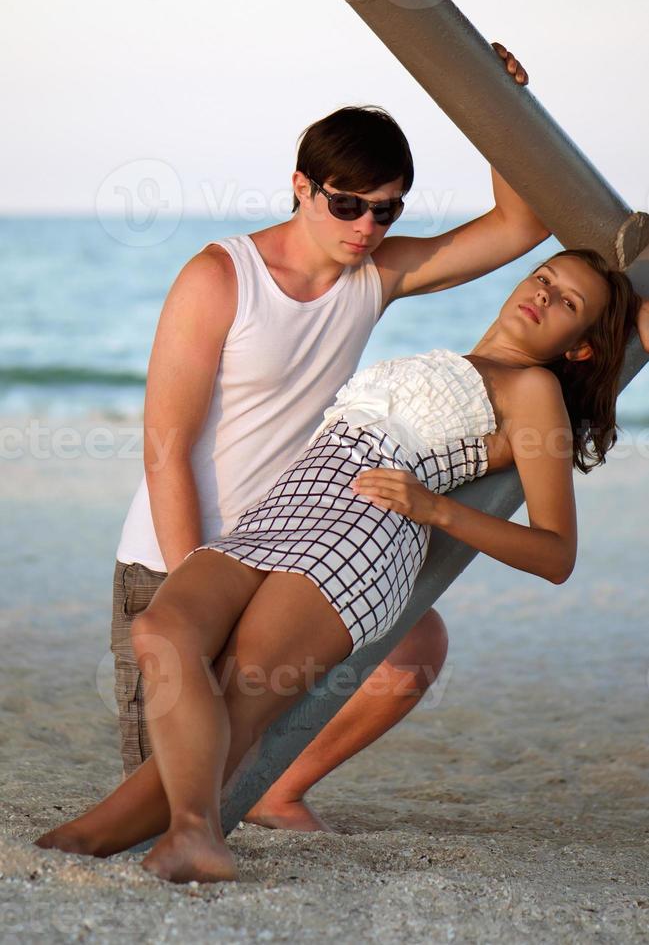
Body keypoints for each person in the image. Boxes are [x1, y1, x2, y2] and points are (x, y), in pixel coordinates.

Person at [36, 248, 646, 885]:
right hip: (284, 510)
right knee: (161, 632)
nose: (544, 295)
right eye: (544, 278)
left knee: (243, 694)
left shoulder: (534, 389)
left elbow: (556, 553)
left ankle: (112, 836)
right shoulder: (452, 361)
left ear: (579, 347)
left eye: (568, 303)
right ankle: (190, 831)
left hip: (361, 536)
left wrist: (434, 509)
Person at [110, 44, 550, 834]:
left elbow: (521, 222)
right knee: (155, 803)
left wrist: (499, 110)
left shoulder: (373, 275)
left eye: (386, 209)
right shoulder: (218, 278)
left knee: (415, 648)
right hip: (182, 558)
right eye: (347, 204)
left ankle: (283, 788)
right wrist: (191, 591)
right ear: (301, 187)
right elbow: (164, 451)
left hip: (297, 550)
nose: (366, 226)